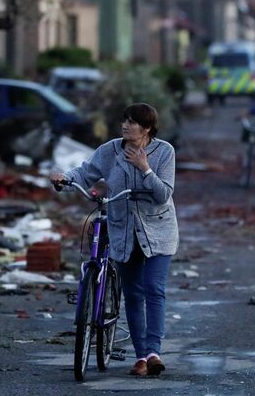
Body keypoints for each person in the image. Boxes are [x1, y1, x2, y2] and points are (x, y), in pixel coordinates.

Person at [50, 103, 178, 377]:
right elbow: (86, 171)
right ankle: (141, 357)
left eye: (132, 123)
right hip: (122, 229)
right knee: (133, 294)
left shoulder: (165, 152)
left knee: (154, 288)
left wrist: (145, 168)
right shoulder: (110, 151)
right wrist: (65, 178)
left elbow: (163, 194)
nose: (125, 126)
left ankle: (154, 352)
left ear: (146, 128)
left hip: (158, 229)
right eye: (124, 121)